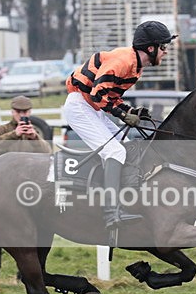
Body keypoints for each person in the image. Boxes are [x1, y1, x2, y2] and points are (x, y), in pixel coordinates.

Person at [64, 20, 176, 230]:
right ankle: (110, 213)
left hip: (90, 107)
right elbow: (98, 93)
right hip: (80, 107)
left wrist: (129, 112)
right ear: (150, 48)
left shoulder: (135, 66)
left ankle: (126, 200)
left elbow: (110, 97)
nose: (165, 52)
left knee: (125, 145)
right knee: (115, 152)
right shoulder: (123, 62)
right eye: (163, 47)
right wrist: (122, 115)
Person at [0, 95, 51, 282]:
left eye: (26, 112)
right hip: (5, 189)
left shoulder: (34, 131)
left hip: (29, 189)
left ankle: (25, 274)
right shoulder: (2, 130)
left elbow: (47, 153)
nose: (22, 115)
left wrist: (34, 137)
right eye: (19, 112)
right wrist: (14, 134)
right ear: (12, 112)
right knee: (1, 233)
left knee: (33, 232)